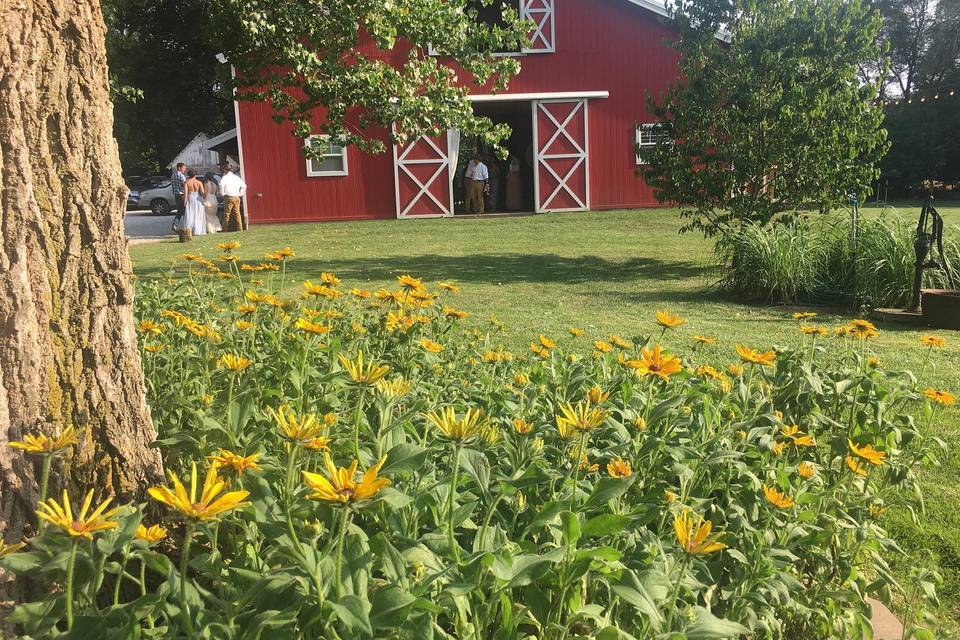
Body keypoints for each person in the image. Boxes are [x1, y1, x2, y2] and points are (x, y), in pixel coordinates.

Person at [219, 162, 247, 232]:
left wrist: (223, 193)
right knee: (237, 213)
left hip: (228, 196)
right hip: (236, 196)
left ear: (225, 170)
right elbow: (244, 186)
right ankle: (239, 228)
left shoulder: (225, 177)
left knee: (227, 214)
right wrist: (240, 193)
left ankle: (225, 229)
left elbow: (221, 185)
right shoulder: (236, 177)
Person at [179, 169, 207, 239]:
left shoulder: (186, 182)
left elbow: (185, 193)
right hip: (198, 198)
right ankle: (198, 230)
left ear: (188, 175)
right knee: (198, 214)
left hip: (190, 198)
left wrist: (185, 202)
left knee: (190, 214)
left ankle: (189, 230)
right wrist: (204, 199)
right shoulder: (199, 182)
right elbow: (202, 193)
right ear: (195, 175)